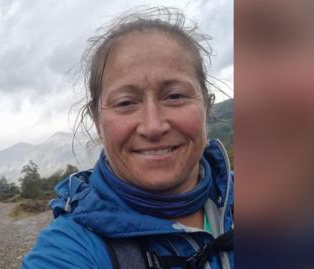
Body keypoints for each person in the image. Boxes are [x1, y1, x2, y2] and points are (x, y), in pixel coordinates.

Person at [22, 7, 233, 269]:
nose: (153, 126)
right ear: (97, 121)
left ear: (207, 105)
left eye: (175, 96)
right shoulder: (70, 249)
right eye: (125, 102)